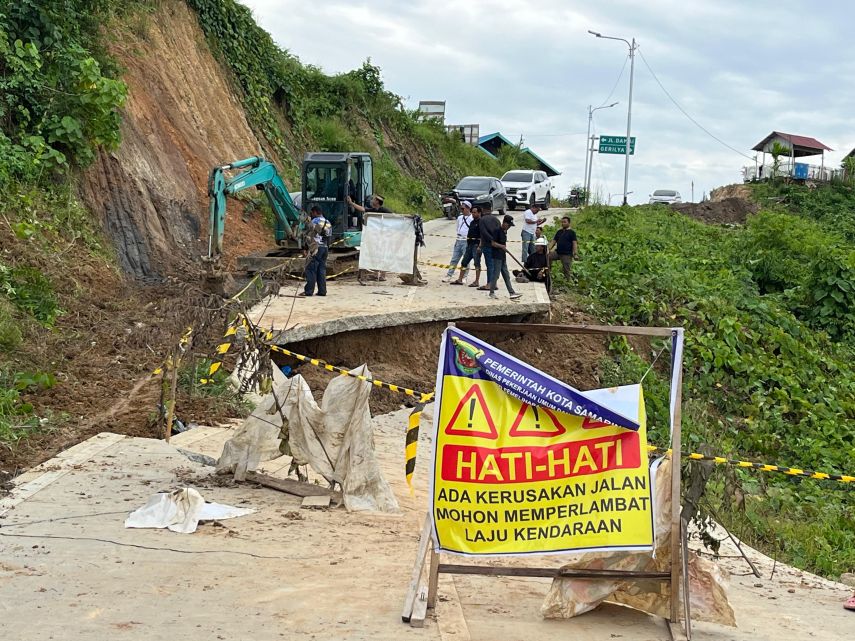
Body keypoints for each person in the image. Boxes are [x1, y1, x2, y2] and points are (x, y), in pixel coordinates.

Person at [347, 194, 392, 282]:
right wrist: (351, 203)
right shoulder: (373, 210)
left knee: (383, 254)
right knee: (376, 253)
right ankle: (376, 274)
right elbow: (363, 209)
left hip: (383, 235)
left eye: (373, 199)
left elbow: (394, 217)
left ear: (377, 202)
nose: (371, 201)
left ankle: (382, 275)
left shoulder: (384, 210)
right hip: (376, 235)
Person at [487, 214, 522, 300]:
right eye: (509, 225)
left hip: (502, 256)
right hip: (496, 256)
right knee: (496, 275)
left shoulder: (504, 232)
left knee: (506, 274)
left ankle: (511, 292)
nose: (509, 227)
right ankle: (491, 292)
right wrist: (501, 246)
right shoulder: (497, 231)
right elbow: (493, 243)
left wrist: (503, 248)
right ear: (505, 223)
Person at [298, 205, 331, 297]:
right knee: (321, 270)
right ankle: (322, 291)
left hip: (315, 248)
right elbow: (329, 237)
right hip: (325, 248)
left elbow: (308, 236)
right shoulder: (328, 222)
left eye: (312, 213)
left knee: (311, 269)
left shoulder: (313, 222)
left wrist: (304, 248)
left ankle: (309, 291)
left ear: (315, 212)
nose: (311, 215)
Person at [451, 205, 483, 287]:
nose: (473, 214)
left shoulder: (481, 222)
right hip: (469, 244)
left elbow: (483, 235)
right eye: (472, 212)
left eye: (475, 212)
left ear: (479, 213)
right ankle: (460, 279)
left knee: (477, 263)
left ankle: (477, 281)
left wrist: (480, 246)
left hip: (476, 245)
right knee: (464, 262)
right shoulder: (472, 222)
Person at [442, 201, 472, 282]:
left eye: (463, 208)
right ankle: (449, 274)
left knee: (466, 260)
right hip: (459, 240)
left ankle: (464, 276)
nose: (462, 210)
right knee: (454, 259)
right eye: (461, 209)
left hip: (466, 241)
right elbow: (458, 228)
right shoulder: (460, 218)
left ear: (468, 208)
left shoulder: (471, 218)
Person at [548, 215, 578, 280]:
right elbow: (554, 241)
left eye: (564, 222)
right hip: (558, 252)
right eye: (562, 222)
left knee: (566, 269)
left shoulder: (572, 233)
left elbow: (574, 243)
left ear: (569, 223)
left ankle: (568, 281)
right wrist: (548, 249)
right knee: (548, 256)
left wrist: (575, 254)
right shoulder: (559, 232)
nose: (563, 223)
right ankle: (548, 273)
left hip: (567, 254)